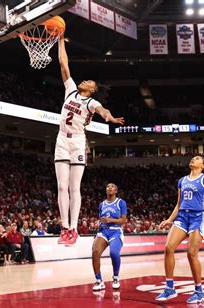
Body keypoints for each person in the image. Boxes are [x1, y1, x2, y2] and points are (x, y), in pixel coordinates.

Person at [55, 36, 124, 245]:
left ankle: (74, 229)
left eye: (89, 82)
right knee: (61, 187)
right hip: (61, 140)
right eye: (84, 80)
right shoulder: (71, 90)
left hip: (77, 141)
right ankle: (64, 227)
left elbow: (102, 109)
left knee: (74, 187)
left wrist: (108, 117)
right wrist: (60, 40)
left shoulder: (92, 102)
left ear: (93, 89)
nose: (84, 81)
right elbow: (63, 64)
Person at [156, 156, 204, 303]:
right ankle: (169, 288)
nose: (192, 159)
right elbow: (179, 204)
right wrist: (169, 220)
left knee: (191, 253)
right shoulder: (182, 180)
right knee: (168, 248)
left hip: (198, 217)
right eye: (192, 158)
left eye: (197, 158)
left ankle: (199, 291)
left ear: (203, 165)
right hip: (182, 217)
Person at [92, 183, 127, 291]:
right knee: (95, 252)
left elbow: (124, 220)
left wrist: (110, 220)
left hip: (115, 231)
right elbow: (101, 218)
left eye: (112, 186)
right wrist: (99, 224)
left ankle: (115, 278)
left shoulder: (121, 202)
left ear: (116, 190)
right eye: (107, 186)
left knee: (114, 253)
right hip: (103, 231)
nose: (109, 188)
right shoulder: (102, 204)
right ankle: (99, 281)